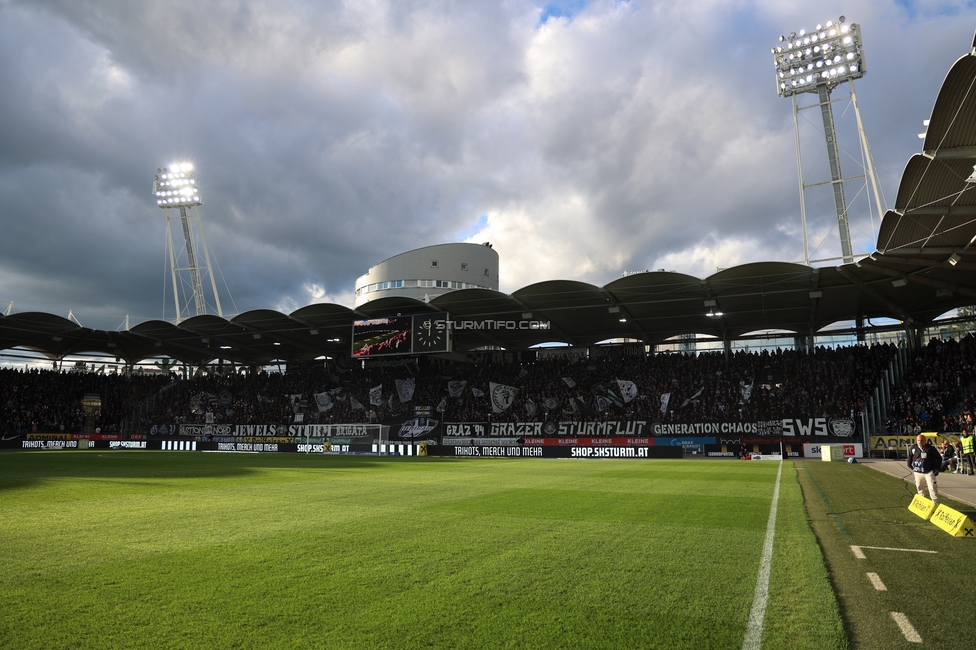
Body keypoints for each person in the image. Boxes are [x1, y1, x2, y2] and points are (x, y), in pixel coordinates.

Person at [907, 434, 941, 505]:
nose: (920, 442)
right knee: (919, 487)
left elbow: (939, 458)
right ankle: (923, 504)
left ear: (925, 441)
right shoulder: (913, 448)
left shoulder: (930, 448)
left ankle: (936, 505)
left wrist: (937, 469)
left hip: (929, 471)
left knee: (932, 488)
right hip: (918, 472)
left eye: (922, 440)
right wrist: (910, 466)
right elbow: (909, 457)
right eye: (918, 440)